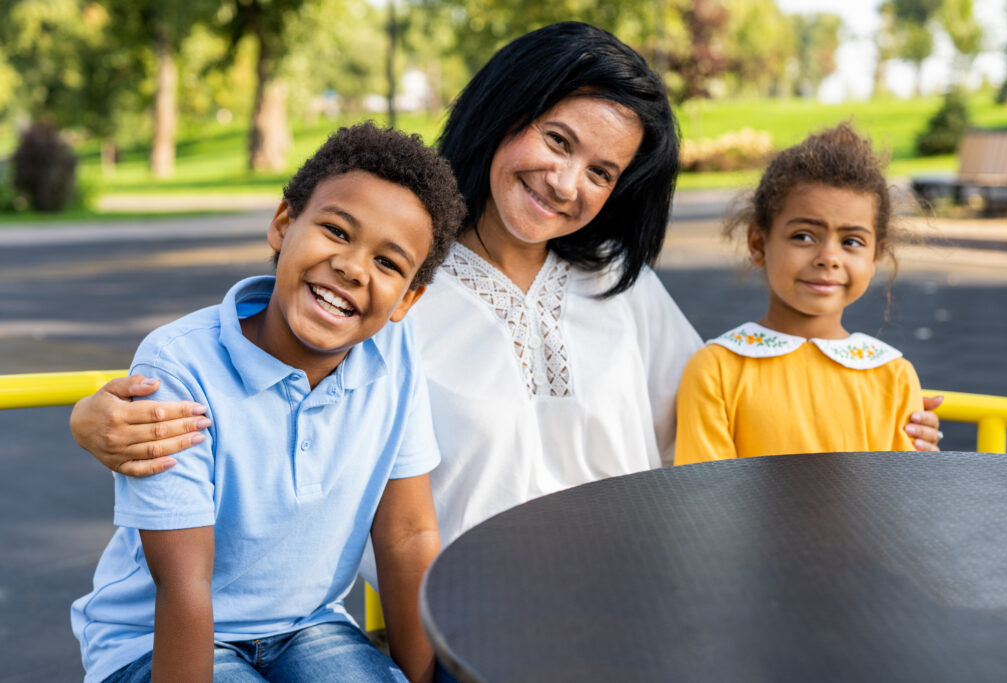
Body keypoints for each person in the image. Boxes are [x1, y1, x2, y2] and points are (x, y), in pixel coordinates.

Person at [68, 24, 943, 564]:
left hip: (636, 612)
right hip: (464, 621)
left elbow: (733, 413)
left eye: (601, 170)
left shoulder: (617, 287)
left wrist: (871, 424)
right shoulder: (399, 283)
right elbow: (256, 369)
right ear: (505, 110)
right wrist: (98, 417)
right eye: (556, 139)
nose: (567, 182)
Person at [70, 123, 466, 683]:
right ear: (284, 224)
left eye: (388, 263)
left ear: (407, 299)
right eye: (336, 230)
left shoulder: (393, 353)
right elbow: (184, 584)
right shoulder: (180, 367)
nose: (353, 267)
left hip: (306, 626)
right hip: (155, 638)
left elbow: (407, 535)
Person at [675, 124, 923, 464]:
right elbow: (706, 501)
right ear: (758, 243)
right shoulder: (716, 369)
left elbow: (901, 502)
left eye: (852, 242)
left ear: (875, 257)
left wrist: (928, 465)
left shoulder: (894, 376)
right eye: (804, 236)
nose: (829, 258)